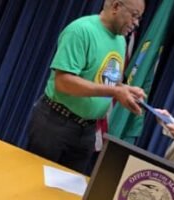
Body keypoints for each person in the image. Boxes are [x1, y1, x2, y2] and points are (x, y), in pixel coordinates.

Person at [27, 0, 146, 173]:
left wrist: (125, 89)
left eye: (139, 18)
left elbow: (105, 79)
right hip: (55, 124)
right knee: (35, 182)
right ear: (116, 7)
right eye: (134, 16)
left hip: (87, 132)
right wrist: (115, 91)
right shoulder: (81, 31)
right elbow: (63, 82)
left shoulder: (120, 40)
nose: (136, 23)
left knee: (68, 194)